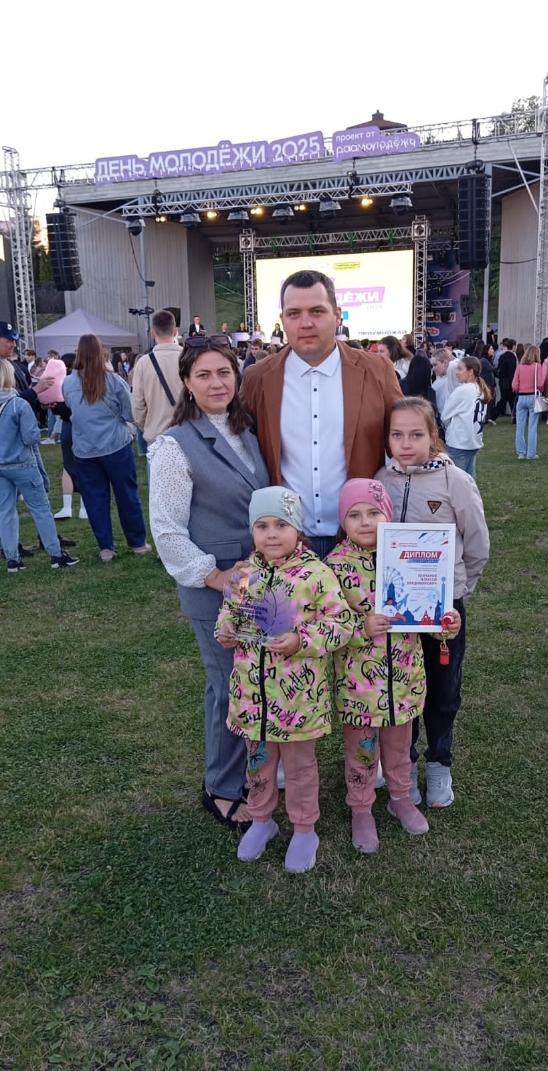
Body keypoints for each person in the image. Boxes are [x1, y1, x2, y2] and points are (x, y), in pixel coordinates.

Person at [149, 336, 270, 830]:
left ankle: (257, 772)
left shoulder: (248, 431)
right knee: (227, 686)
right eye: (203, 375)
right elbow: (167, 531)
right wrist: (215, 576)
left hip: (260, 582)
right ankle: (220, 787)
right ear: (187, 383)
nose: (216, 383)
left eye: (224, 372)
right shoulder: (174, 446)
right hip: (214, 587)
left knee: (257, 679)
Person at [215, 486, 355, 872]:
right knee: (258, 763)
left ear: (298, 530)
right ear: (252, 531)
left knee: (299, 769)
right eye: (262, 526)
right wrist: (225, 630)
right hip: (253, 699)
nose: (272, 534)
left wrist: (301, 640)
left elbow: (342, 624)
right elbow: (228, 612)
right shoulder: (243, 573)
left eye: (281, 525)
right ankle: (262, 820)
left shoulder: (317, 575)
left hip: (298, 702)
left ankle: (304, 828)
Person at [326, 478, 462, 852]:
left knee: (400, 749)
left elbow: (427, 613)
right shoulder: (333, 567)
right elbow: (326, 625)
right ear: (343, 521)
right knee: (362, 752)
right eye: (354, 514)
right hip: (359, 687)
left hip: (404, 682)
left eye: (374, 512)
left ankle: (401, 798)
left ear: (388, 515)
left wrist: (445, 621)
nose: (365, 521)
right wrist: (361, 628)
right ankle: (361, 809)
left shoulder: (410, 552)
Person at [240, 269, 402, 559]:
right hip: (289, 543)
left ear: (337, 315)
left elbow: (404, 439)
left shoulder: (377, 370)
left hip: (360, 540)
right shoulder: (257, 378)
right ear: (282, 320)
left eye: (317, 311)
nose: (306, 323)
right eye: (294, 314)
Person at [377, 398, 489, 807]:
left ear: (433, 436)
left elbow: (477, 545)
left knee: (443, 689)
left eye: (416, 434)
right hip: (397, 613)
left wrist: (458, 592)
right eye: (397, 435)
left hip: (444, 613)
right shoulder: (381, 480)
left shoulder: (455, 481)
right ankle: (402, 762)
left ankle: (439, 762)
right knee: (400, 688)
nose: (406, 444)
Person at [63, 334, 150, 562]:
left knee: (95, 499)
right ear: (101, 353)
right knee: (127, 495)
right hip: (115, 446)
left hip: (85, 449)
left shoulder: (68, 383)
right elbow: (129, 413)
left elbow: (72, 408)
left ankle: (106, 548)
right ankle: (137, 543)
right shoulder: (113, 381)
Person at [0, 359, 79, 572]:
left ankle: (12, 559)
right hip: (22, 463)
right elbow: (31, 437)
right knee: (41, 508)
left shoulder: (17, 403)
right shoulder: (18, 404)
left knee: (5, 511)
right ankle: (56, 554)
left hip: (1, 465)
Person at [132, 309, 183, 448]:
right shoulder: (190, 358)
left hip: (157, 436)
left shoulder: (143, 363)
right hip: (189, 433)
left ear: (152, 332)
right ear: (175, 331)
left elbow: (138, 405)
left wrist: (148, 426)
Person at [441, 355, 491, 479]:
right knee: (469, 481)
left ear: (470, 371)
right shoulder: (481, 389)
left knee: (456, 482)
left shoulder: (462, 390)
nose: (456, 373)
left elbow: (444, 415)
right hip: (473, 442)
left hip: (459, 442)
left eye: (460, 369)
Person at [51, 353, 88, 521]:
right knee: (86, 466)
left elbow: (57, 408)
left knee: (68, 466)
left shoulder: (61, 382)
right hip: (82, 427)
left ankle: (67, 507)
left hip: (67, 427)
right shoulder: (83, 381)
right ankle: (84, 508)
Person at [512, 344, 545, 461]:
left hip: (521, 397)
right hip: (533, 397)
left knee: (520, 427)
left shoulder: (519, 367)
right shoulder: (537, 366)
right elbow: (540, 384)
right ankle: (531, 453)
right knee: (532, 427)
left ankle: (521, 453)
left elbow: (514, 385)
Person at [494, 339, 517, 419]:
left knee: (507, 399)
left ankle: (514, 417)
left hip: (502, 380)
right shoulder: (512, 357)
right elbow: (512, 371)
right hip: (509, 381)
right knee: (509, 399)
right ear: (513, 346)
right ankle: (493, 415)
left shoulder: (502, 356)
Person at [431, 348, 451, 414]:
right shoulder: (439, 379)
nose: (433, 369)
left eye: (435, 365)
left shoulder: (451, 382)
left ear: (445, 363)